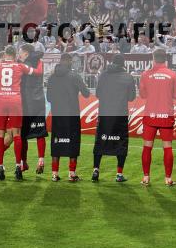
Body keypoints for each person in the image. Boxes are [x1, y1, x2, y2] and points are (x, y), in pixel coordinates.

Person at [0, 45, 41, 181]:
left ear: (5, 55)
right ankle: (17, 167)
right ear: (15, 55)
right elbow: (37, 72)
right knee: (16, 135)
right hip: (15, 101)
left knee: (0, 135)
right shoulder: (20, 66)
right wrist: (40, 62)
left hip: (0, 102)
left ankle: (0, 167)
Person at [139, 48, 176, 187]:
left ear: (153, 58)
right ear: (166, 59)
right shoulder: (173, 75)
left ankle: (146, 178)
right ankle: (168, 179)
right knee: (167, 147)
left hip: (150, 115)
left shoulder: (145, 74)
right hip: (166, 115)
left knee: (147, 146)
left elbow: (143, 95)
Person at [46, 53, 90, 182]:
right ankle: (71, 173)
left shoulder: (52, 77)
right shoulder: (74, 76)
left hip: (57, 114)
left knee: (56, 143)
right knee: (73, 143)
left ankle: (54, 173)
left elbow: (48, 98)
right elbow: (86, 94)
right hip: (71, 115)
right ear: (69, 61)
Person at [92, 54, 135, 182]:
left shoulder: (103, 75)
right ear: (123, 64)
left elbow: (98, 93)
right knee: (121, 142)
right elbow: (131, 97)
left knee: (100, 140)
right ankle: (119, 174)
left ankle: (96, 170)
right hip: (120, 115)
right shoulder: (128, 77)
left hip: (104, 113)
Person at [19, 43, 47, 174]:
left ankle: (23, 163)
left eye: (21, 52)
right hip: (39, 100)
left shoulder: (22, 65)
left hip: (26, 102)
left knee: (23, 134)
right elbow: (40, 73)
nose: (19, 55)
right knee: (40, 131)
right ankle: (41, 159)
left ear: (26, 53)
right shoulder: (40, 61)